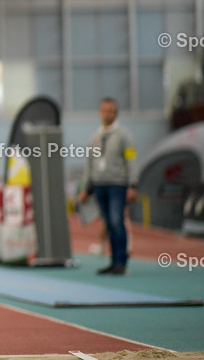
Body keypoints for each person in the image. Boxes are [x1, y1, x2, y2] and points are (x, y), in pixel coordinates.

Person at [78, 97, 137, 275]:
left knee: (117, 221)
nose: (107, 114)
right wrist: (85, 188)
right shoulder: (95, 138)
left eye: (111, 111)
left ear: (116, 113)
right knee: (109, 224)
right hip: (99, 185)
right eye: (105, 111)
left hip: (117, 185)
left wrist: (132, 184)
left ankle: (121, 262)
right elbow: (89, 165)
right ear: (100, 112)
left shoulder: (124, 136)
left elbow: (131, 160)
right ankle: (113, 261)